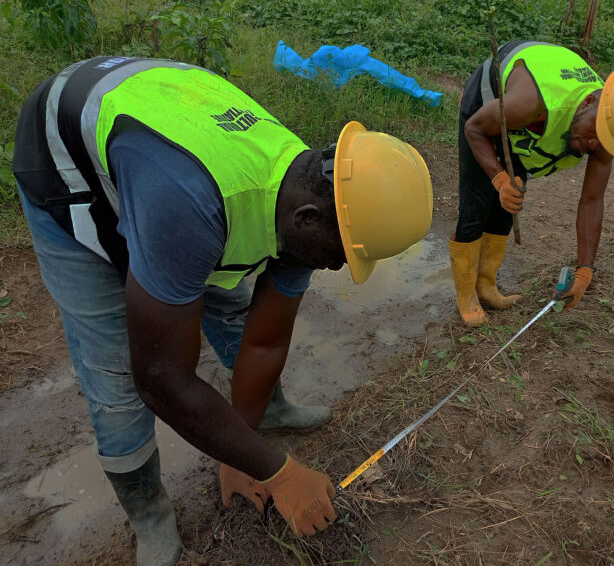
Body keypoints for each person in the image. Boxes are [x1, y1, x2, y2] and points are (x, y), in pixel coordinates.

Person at [12, 56, 433, 565]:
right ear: (307, 219)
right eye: (341, 256)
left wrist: (243, 454)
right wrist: (280, 473)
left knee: (231, 310)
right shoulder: (193, 207)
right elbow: (163, 379)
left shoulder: (313, 196)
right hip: (66, 168)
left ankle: (259, 415)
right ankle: (149, 516)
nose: (337, 268)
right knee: (119, 376)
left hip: (161, 156)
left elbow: (265, 339)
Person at [450, 40, 614, 326]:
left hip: (528, 119)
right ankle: (466, 295)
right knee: (478, 203)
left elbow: (592, 200)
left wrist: (584, 272)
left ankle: (486, 285)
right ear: (589, 102)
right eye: (595, 132)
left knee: (510, 202)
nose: (593, 145)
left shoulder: (610, 126)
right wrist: (499, 178)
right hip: (487, 105)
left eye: (605, 141)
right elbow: (475, 129)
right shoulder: (529, 102)